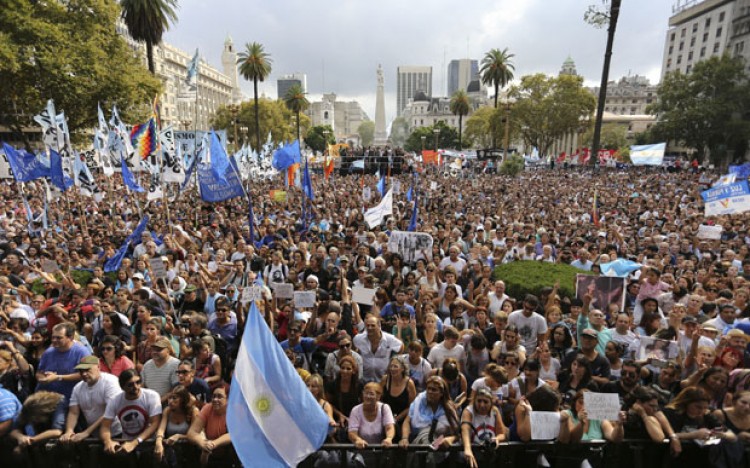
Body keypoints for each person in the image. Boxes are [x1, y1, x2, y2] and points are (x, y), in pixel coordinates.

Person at [101, 369, 162, 462]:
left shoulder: (151, 396)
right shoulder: (115, 400)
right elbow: (105, 425)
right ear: (122, 387)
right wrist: (108, 441)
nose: (136, 387)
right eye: (130, 385)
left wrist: (135, 442)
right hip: (126, 445)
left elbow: (155, 423)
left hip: (148, 443)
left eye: (138, 382)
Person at [60, 356, 123, 445]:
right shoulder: (78, 387)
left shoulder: (111, 381)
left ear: (98, 367)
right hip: (94, 434)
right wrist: (69, 431)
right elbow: (73, 412)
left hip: (116, 432)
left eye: (87, 370)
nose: (84, 374)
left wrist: (87, 432)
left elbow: (110, 411)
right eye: (81, 371)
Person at [399, 376, 460, 458]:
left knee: (429, 445)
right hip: (417, 440)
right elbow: (407, 421)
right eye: (428, 389)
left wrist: (450, 439)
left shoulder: (448, 409)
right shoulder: (419, 401)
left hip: (440, 443)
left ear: (441, 393)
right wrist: (404, 438)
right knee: (425, 439)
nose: (430, 392)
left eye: (434, 390)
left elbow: (457, 434)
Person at [35, 322, 91, 402]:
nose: (54, 340)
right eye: (53, 337)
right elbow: (39, 372)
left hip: (69, 398)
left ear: (70, 337)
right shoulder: (48, 352)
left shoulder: (82, 352)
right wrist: (42, 378)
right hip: (46, 397)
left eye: (59, 338)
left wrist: (58, 377)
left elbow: (86, 374)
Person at [8, 391, 66, 461]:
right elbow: (14, 429)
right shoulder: (29, 407)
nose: (34, 421)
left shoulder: (60, 404)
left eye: (35, 419)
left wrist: (28, 442)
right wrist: (20, 437)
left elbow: (56, 432)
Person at [347, 382, 396, 466]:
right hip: (361, 452)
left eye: (371, 394)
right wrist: (357, 439)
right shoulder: (356, 410)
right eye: (365, 393)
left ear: (378, 397)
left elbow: (389, 427)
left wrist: (389, 438)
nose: (368, 396)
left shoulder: (384, 408)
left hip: (380, 453)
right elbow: (352, 432)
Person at [186, 385, 235, 467]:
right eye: (214, 396)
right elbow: (191, 433)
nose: (215, 399)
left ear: (228, 399)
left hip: (230, 457)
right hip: (210, 455)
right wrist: (202, 443)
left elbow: (233, 434)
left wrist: (213, 444)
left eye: (219, 397)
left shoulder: (234, 410)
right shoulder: (208, 408)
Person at [460, 387, 507, 468]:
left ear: (491, 402)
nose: (482, 405)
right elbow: (465, 430)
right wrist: (467, 449)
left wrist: (497, 439)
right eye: (479, 401)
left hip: (490, 455)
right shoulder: (469, 411)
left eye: (485, 402)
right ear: (474, 401)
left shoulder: (494, 411)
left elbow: (502, 434)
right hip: (473, 454)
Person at [154, 385, 200, 467]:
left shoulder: (193, 411)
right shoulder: (167, 411)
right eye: (169, 398)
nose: (170, 401)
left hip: (189, 453)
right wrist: (158, 441)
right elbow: (161, 429)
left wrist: (179, 436)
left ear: (183, 399)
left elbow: (195, 436)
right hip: (172, 453)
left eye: (174, 398)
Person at [353, 315, 403, 383]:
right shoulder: (358, 339)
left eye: (373, 325)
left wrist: (393, 361)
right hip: (364, 379)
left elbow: (401, 347)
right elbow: (353, 350)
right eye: (368, 325)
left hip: (383, 380)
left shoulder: (389, 339)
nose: (370, 328)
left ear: (379, 326)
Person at [380, 357, 416, 437]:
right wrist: (388, 417)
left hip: (403, 419)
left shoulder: (409, 383)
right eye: (391, 366)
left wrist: (397, 418)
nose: (392, 369)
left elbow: (412, 406)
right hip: (385, 417)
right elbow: (379, 399)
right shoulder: (385, 379)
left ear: (402, 368)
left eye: (395, 366)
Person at [141, 337, 180, 403]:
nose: (155, 352)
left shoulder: (176, 364)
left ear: (168, 350)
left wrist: (158, 402)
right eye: (153, 349)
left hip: (169, 403)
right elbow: (142, 386)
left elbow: (175, 389)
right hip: (148, 402)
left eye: (159, 350)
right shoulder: (147, 365)